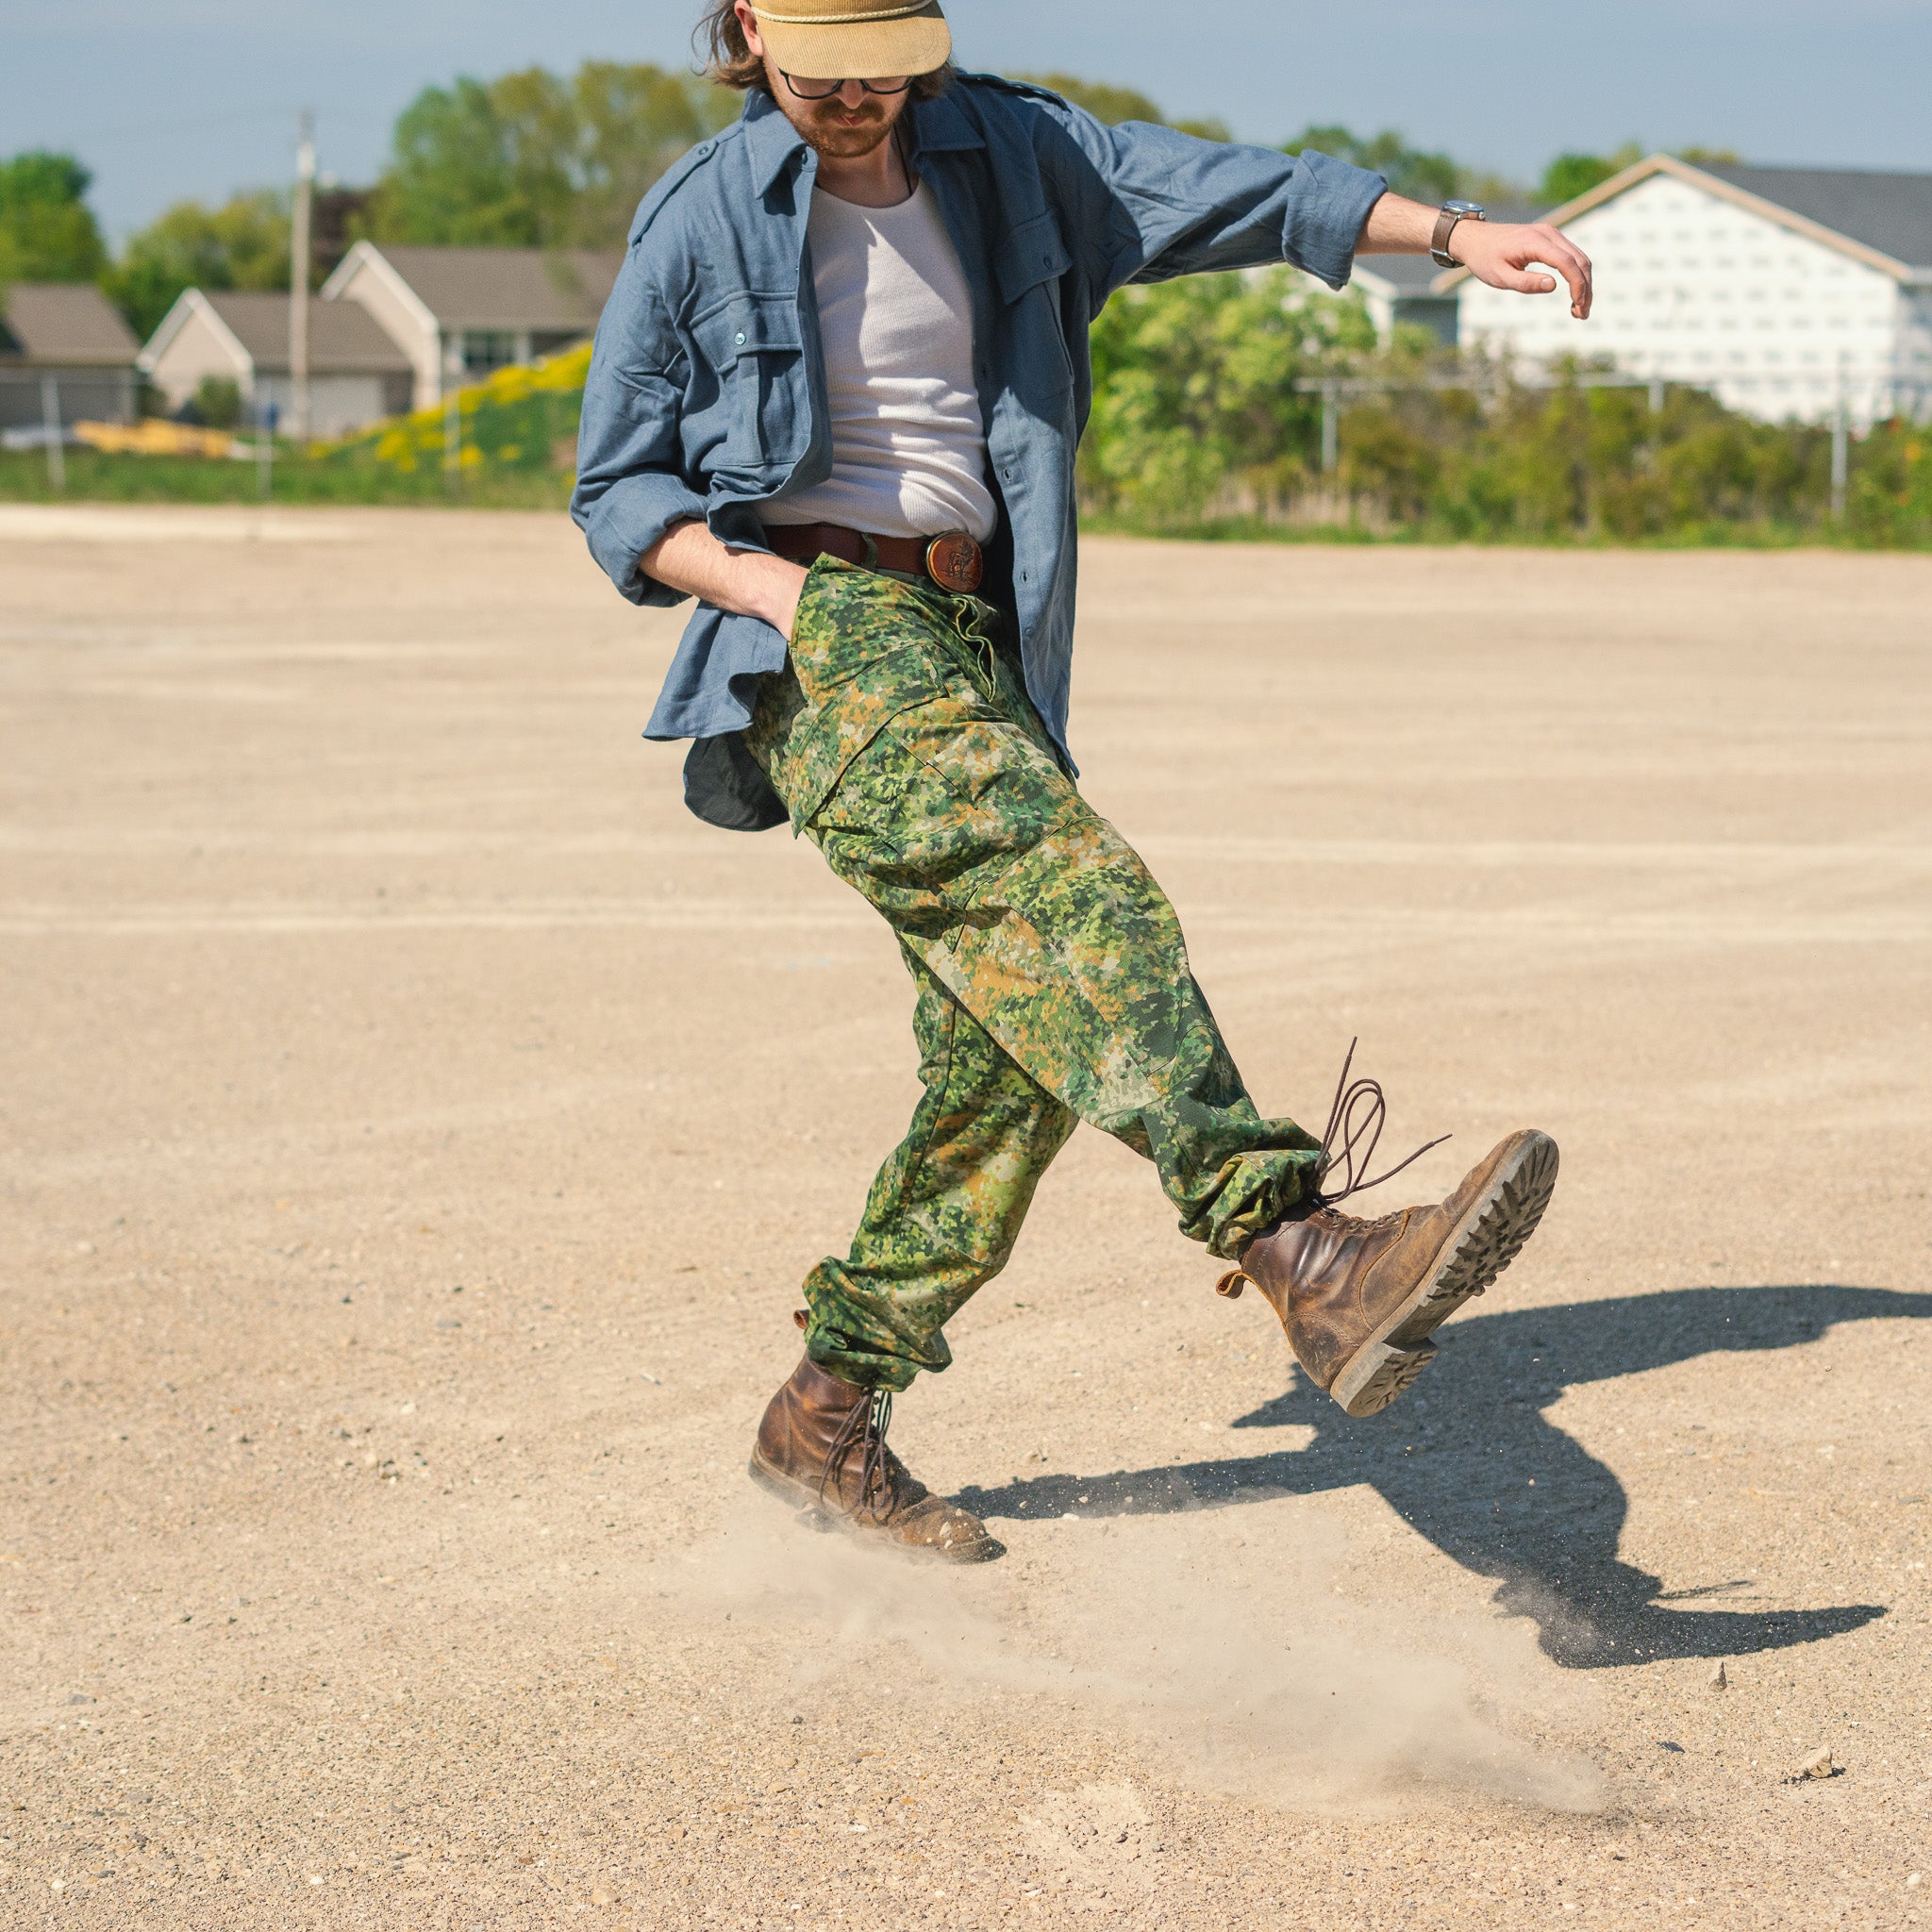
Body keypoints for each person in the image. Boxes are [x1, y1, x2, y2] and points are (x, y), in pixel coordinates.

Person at [572, 0, 1591, 1562]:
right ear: (745, 34)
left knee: (1012, 1069)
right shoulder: (705, 213)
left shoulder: (1022, 154)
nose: (851, 102)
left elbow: (1244, 190)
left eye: (883, 70)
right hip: (827, 636)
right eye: (813, 70)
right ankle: (1303, 1249)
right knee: (1080, 897)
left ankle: (823, 1417)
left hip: (986, 640)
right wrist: (785, 597)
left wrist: (1453, 236)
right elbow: (615, 484)